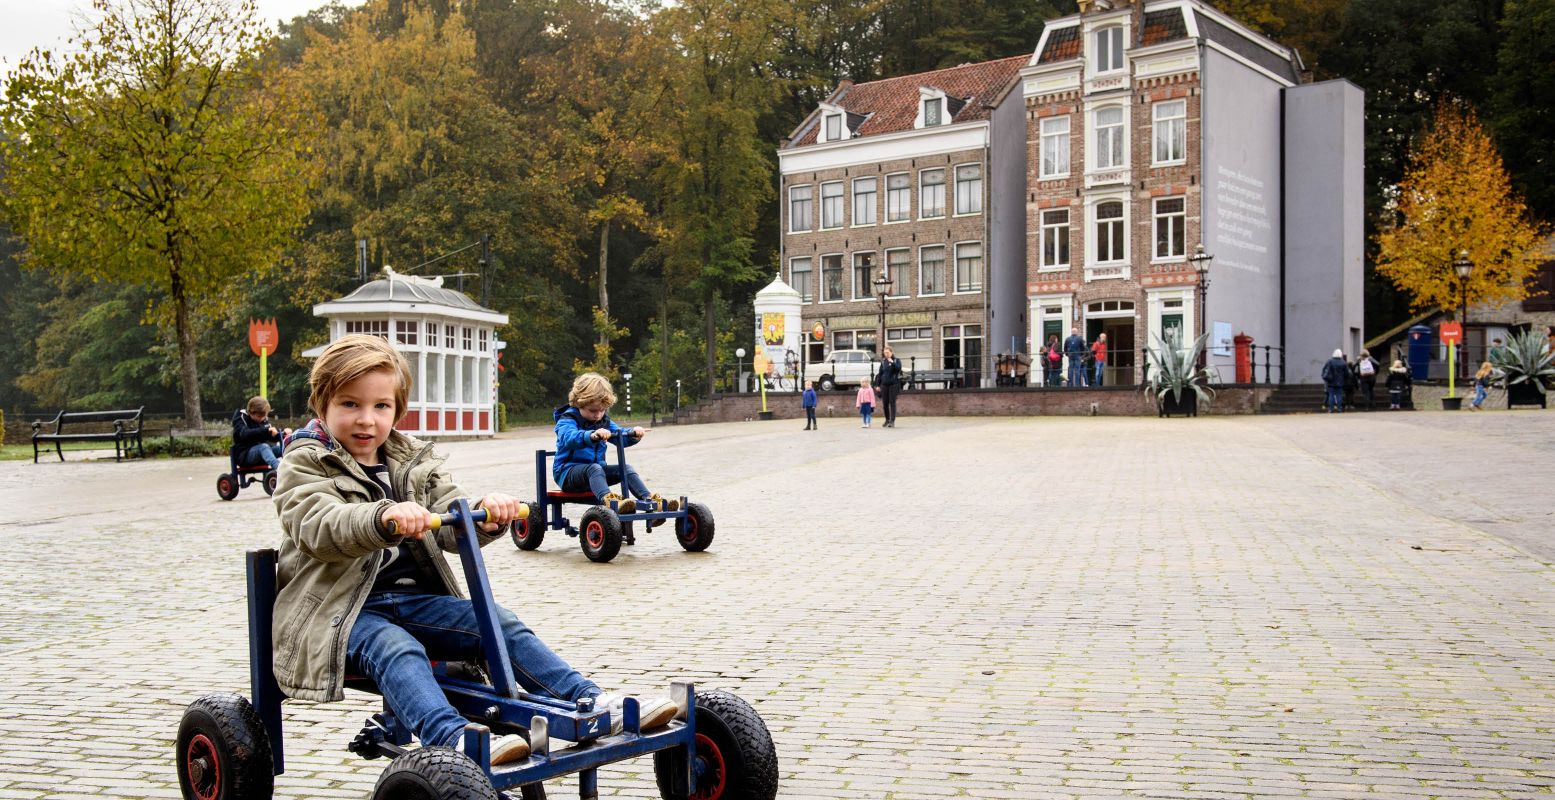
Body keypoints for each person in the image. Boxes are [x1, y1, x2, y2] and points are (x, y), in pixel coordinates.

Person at [273, 336, 677, 767]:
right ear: (322, 405)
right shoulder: (306, 463)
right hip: (339, 612)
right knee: (397, 649)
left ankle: (590, 701)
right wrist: (381, 518)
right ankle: (453, 739)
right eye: (350, 404)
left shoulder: (411, 460)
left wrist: (485, 515)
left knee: (497, 624)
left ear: (397, 409)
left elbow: (451, 512)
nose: (366, 420)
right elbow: (316, 524)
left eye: (381, 407)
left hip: (414, 601)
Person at [553, 372, 678, 517]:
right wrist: (592, 435)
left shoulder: (603, 421)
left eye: (602, 410)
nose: (598, 415)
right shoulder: (567, 419)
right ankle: (611, 502)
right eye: (593, 410)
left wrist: (634, 434)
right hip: (568, 474)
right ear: (578, 403)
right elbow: (569, 438)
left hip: (596, 474)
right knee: (594, 468)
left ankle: (649, 500)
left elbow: (620, 435)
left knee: (626, 468)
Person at [233, 395, 290, 470]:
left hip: (262, 453)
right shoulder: (241, 418)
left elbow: (270, 436)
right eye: (259, 416)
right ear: (251, 412)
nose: (262, 419)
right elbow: (244, 434)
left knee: (284, 448)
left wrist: (282, 434)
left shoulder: (263, 420)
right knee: (264, 447)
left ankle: (294, 468)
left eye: (264, 416)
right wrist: (265, 430)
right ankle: (280, 469)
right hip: (245, 455)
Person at [874, 346, 903, 428]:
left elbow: (898, 369)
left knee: (892, 403)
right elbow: (880, 374)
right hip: (884, 385)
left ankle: (892, 421)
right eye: (885, 353)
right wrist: (877, 385)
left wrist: (892, 362)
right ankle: (887, 420)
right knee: (885, 403)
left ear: (891, 352)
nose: (886, 354)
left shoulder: (897, 360)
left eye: (887, 352)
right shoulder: (883, 362)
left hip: (894, 384)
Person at [1321, 348, 1348, 413]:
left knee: (1331, 395)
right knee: (1339, 395)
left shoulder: (1329, 361)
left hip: (1330, 381)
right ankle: (1339, 409)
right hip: (1340, 381)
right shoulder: (1343, 362)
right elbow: (1346, 373)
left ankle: (1331, 409)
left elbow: (1324, 369)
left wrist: (1324, 377)